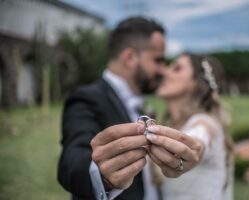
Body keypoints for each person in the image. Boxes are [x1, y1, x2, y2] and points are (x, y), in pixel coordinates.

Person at [57, 17, 203, 200]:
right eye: (158, 60)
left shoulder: (141, 105)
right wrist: (102, 175)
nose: (163, 70)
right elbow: (71, 161)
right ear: (129, 58)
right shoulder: (86, 98)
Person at [145, 53, 234, 200]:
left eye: (177, 68)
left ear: (196, 83)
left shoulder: (205, 122)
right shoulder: (170, 125)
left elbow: (200, 138)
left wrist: (193, 147)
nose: (164, 72)